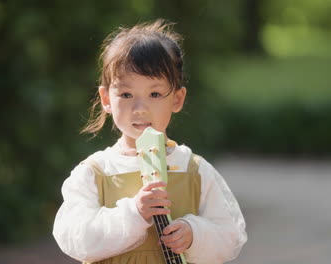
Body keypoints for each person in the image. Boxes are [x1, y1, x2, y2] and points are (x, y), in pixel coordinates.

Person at [53, 19, 247, 264]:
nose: (140, 108)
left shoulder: (193, 170)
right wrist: (133, 214)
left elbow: (231, 236)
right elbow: (73, 237)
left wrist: (193, 234)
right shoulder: (96, 172)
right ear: (106, 98)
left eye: (155, 94)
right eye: (126, 94)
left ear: (177, 99)